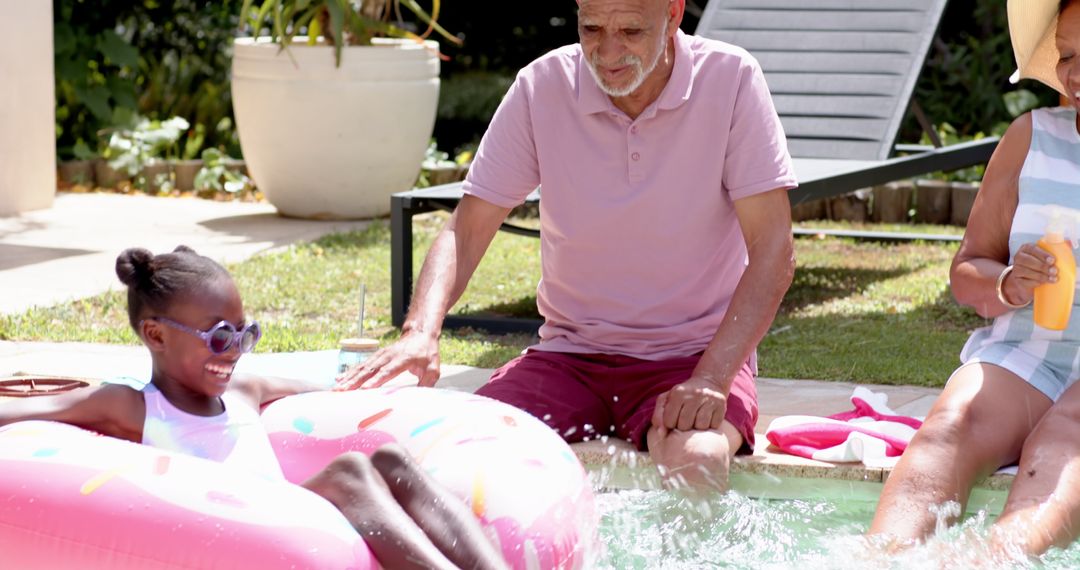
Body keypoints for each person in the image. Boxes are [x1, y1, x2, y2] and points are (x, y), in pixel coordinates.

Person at [338, 0, 797, 492]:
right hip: (571, 356)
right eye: (592, 28)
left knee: (697, 458)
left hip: (692, 354)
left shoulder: (731, 79)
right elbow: (466, 228)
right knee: (462, 448)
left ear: (673, 15)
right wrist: (419, 333)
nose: (608, 51)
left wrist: (712, 377)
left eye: (631, 31)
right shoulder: (543, 85)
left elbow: (773, 248)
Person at [0, 246, 506, 570]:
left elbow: (339, 387)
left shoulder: (244, 388)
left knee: (389, 460)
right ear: (155, 334)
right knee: (351, 470)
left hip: (293, 519)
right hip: (240, 537)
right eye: (219, 336)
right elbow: (38, 407)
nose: (235, 351)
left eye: (245, 334)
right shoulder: (133, 407)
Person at [869, 0, 1080, 558]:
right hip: (1025, 355)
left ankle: (997, 560)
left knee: (1065, 439)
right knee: (950, 424)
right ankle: (879, 558)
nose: (1075, 75)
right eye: (1067, 55)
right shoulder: (1030, 137)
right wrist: (1009, 282)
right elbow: (968, 270)